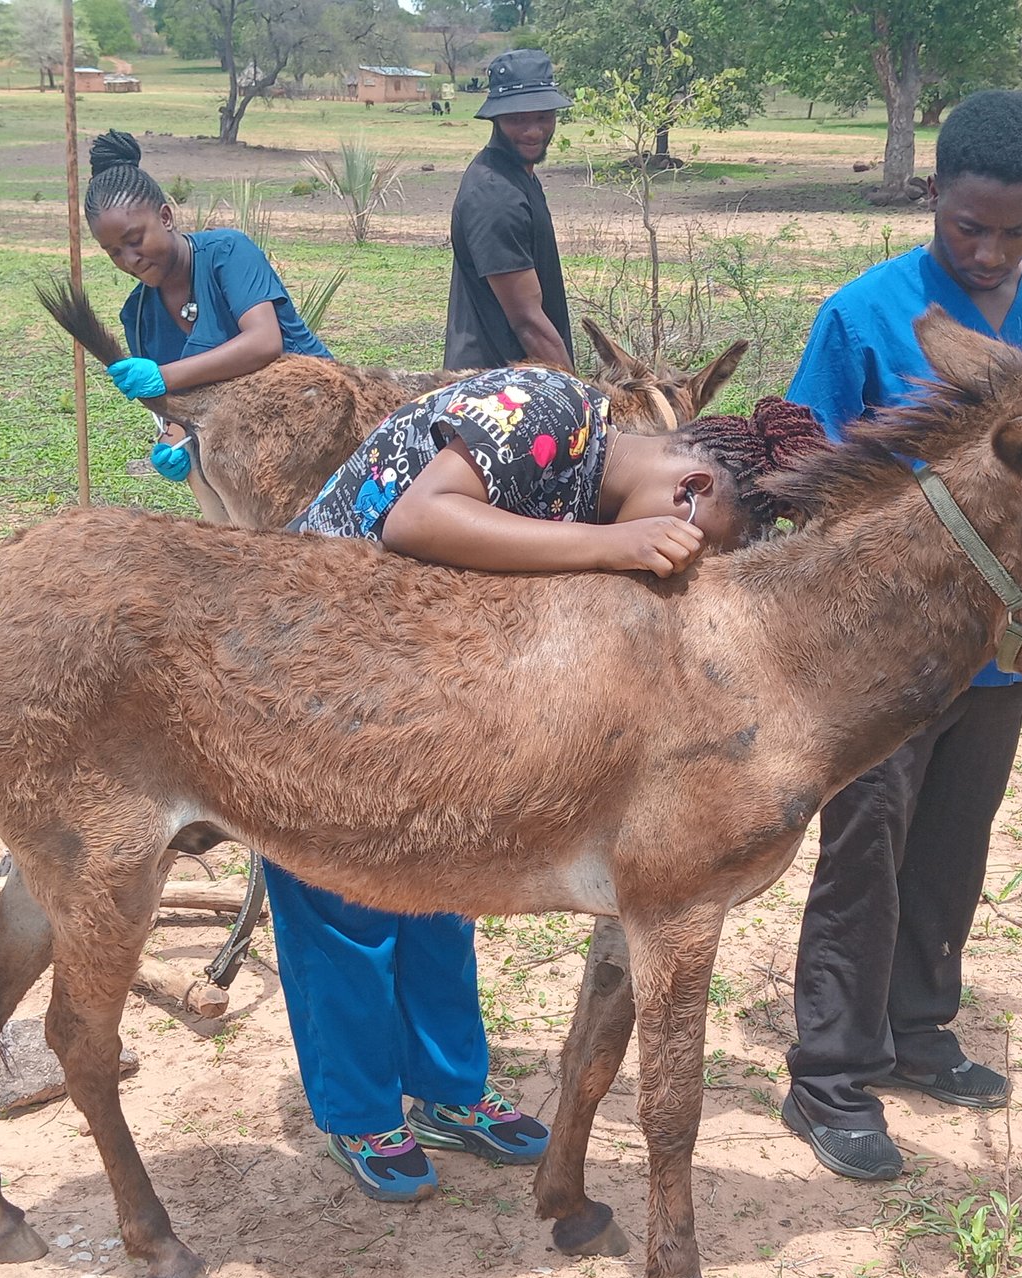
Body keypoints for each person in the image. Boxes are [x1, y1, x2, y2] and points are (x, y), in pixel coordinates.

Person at [281, 366, 822, 1200]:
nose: (694, 562)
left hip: (422, 685)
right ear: (692, 487)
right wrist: (615, 546)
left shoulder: (592, 490)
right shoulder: (550, 409)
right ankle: (359, 1111)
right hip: (322, 668)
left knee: (435, 891)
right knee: (341, 899)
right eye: (709, 539)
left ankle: (449, 1093)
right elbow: (418, 518)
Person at [778, 89, 1022, 1182]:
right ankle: (828, 1075)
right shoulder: (863, 313)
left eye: (1010, 232)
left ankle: (922, 1030)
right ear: (932, 195)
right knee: (863, 848)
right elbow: (804, 468)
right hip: (883, 655)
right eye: (963, 227)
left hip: (1003, 648)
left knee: (953, 840)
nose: (983, 251)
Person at [81, 129, 329, 483]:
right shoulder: (138, 318)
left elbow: (264, 343)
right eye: (114, 252)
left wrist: (162, 376)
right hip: (252, 448)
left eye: (135, 241)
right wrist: (171, 442)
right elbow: (179, 410)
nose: (130, 260)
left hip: (317, 414)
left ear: (166, 217)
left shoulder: (227, 253)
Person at [445, 48, 573, 371]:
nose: (533, 131)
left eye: (543, 116)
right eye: (517, 119)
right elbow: (528, 324)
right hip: (494, 393)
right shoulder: (495, 195)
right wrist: (583, 401)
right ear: (497, 119)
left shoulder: (519, 176)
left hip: (517, 380)